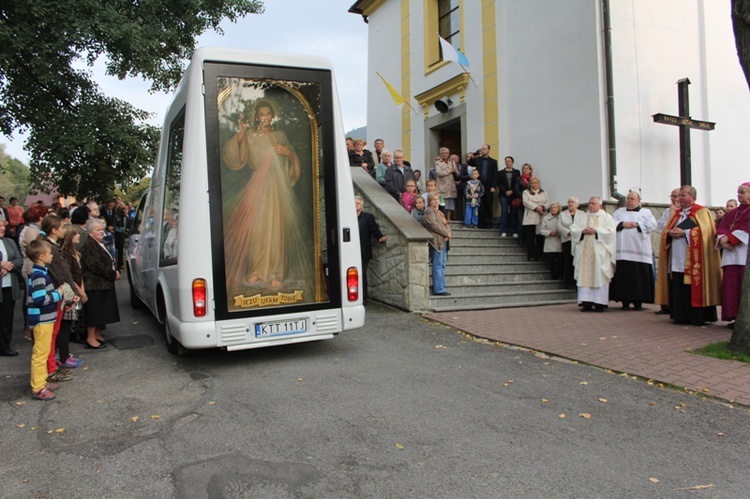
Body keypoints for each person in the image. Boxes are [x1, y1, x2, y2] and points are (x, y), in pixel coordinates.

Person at [221, 99, 310, 293]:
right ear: (257, 117)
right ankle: (256, 269)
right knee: (257, 228)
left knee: (276, 228)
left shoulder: (280, 135)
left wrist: (287, 152)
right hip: (258, 185)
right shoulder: (250, 136)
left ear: (272, 116)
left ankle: (275, 273)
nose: (265, 118)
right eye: (261, 114)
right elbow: (234, 157)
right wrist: (241, 134)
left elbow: (294, 160)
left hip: (277, 186)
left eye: (268, 114)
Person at [656, 185, 721, 326]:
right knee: (678, 284)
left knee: (693, 285)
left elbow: (706, 233)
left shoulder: (702, 212)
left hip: (695, 259)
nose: (679, 198)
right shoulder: (676, 213)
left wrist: (685, 233)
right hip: (677, 255)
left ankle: (698, 316)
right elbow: (665, 230)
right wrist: (669, 234)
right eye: (679, 195)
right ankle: (681, 315)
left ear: (693, 197)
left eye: (683, 195)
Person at [39, 215, 81, 378]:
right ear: (54, 230)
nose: (65, 230)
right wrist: (71, 295)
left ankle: (51, 365)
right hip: (56, 296)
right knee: (52, 334)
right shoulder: (50, 250)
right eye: (62, 228)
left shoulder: (54, 247)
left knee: (54, 332)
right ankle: (50, 369)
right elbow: (61, 275)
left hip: (59, 295)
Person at [26, 240, 64, 400]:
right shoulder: (38, 275)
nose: (52, 255)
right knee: (40, 354)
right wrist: (58, 293)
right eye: (49, 253)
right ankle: (37, 386)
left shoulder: (41, 272)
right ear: (41, 256)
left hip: (46, 319)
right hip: (42, 319)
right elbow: (40, 299)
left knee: (44, 350)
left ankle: (42, 381)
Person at [609, 190, 657, 310]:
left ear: (639, 201)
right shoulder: (619, 212)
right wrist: (622, 224)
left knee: (639, 277)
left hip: (640, 251)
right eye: (628, 199)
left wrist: (638, 224)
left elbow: (653, 224)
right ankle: (624, 301)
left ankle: (638, 302)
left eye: (632, 199)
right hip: (623, 250)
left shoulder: (646, 212)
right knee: (624, 276)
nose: (629, 201)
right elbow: (610, 223)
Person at [571, 196, 617, 312]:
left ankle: (599, 303)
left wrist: (597, 231)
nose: (590, 205)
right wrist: (581, 231)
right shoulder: (581, 217)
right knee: (585, 275)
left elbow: (611, 232)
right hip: (585, 251)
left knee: (599, 275)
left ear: (600, 205)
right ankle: (586, 302)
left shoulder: (607, 217)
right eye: (589, 203)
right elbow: (573, 229)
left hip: (599, 253)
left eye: (593, 203)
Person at [81, 218, 120, 349]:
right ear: (90, 232)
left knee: (101, 311)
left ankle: (97, 334)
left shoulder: (98, 243)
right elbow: (94, 265)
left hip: (102, 283)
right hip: (94, 284)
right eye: (98, 230)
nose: (101, 232)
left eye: (102, 229)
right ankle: (90, 338)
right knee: (95, 312)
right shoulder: (89, 245)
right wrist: (112, 274)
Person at [716, 182, 750, 328]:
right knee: (731, 286)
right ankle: (734, 317)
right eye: (738, 192)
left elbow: (745, 230)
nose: (739, 195)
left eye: (742, 192)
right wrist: (722, 240)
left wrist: (728, 239)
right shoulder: (733, 212)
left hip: (744, 254)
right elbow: (722, 227)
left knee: (743, 287)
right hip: (730, 254)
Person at [60, 224, 88, 350]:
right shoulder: (65, 254)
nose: (79, 235)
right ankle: (75, 332)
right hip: (73, 288)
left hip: (79, 284)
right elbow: (70, 274)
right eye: (76, 234)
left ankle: (80, 331)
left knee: (80, 310)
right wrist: (80, 291)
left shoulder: (74, 252)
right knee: (75, 310)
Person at [654, 188, 680, 315]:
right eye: (672, 197)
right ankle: (666, 304)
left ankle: (676, 305)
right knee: (667, 275)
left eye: (676, 196)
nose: (674, 199)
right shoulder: (668, 211)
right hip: (669, 246)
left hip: (682, 249)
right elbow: (660, 225)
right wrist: (671, 214)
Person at [356, 196, 386, 303]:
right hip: (351, 251)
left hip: (363, 250)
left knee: (362, 273)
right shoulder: (348, 217)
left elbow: (374, 229)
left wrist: (380, 237)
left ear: (362, 205)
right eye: (354, 203)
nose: (356, 205)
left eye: (358, 203)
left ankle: (363, 298)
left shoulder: (368, 217)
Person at [0, 222, 23, 356]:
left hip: (8, 286)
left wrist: (10, 265)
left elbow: (20, 259)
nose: (2, 228)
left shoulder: (9, 242)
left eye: (3, 226)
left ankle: (5, 346)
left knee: (6, 318)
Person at [423, 193, 452, 296]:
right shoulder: (429, 212)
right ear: (429, 201)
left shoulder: (439, 212)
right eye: (434, 199)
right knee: (437, 265)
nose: (436, 201)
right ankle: (439, 289)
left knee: (442, 264)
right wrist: (446, 233)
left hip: (443, 241)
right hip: (436, 242)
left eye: (437, 199)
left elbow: (445, 225)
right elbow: (434, 226)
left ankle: (442, 286)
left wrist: (449, 233)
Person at [468, 144, 497, 229]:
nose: (483, 150)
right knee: (480, 204)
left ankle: (489, 223)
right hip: (479, 185)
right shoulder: (478, 160)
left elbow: (495, 175)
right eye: (482, 149)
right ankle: (480, 223)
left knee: (488, 204)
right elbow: (470, 162)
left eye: (485, 149)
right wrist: (474, 155)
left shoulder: (493, 161)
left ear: (489, 150)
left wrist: (494, 186)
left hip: (489, 185)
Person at [559, 196, 585, 290]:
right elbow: (560, 226)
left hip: (578, 240)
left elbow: (584, 225)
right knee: (568, 261)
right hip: (567, 240)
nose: (570, 204)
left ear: (577, 205)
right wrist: (569, 232)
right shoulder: (562, 214)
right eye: (569, 202)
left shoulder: (582, 214)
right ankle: (568, 283)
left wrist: (577, 233)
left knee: (577, 261)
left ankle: (577, 282)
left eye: (572, 202)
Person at [521, 176, 549, 261]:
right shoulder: (526, 192)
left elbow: (548, 202)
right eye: (532, 183)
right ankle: (531, 255)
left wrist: (543, 207)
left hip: (541, 217)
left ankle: (539, 255)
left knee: (540, 238)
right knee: (531, 238)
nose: (534, 184)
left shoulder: (543, 192)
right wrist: (537, 208)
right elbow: (526, 202)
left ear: (538, 184)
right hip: (530, 218)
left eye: (535, 183)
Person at [497, 156, 521, 237]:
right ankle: (503, 230)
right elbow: (499, 183)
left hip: (513, 195)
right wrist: (505, 191)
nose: (507, 162)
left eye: (509, 161)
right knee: (504, 212)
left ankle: (513, 230)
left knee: (513, 212)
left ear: (512, 162)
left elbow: (517, 183)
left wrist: (512, 191)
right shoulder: (500, 173)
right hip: (503, 195)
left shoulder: (517, 172)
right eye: (506, 161)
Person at [539, 202, 563, 279]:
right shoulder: (546, 218)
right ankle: (554, 275)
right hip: (550, 242)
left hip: (559, 241)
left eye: (555, 207)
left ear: (558, 209)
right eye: (552, 208)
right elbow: (542, 230)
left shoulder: (562, 217)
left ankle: (560, 275)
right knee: (552, 261)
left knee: (560, 261)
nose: (553, 209)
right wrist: (549, 233)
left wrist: (558, 232)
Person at [435, 147, 459, 221]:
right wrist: (449, 170)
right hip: (442, 186)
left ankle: (449, 218)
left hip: (450, 185)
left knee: (450, 203)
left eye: (446, 153)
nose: (444, 155)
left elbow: (457, 172)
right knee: (441, 202)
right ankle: (442, 217)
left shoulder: (452, 162)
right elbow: (439, 173)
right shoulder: (438, 163)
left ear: (448, 154)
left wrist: (456, 172)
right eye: (443, 153)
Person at [514, 163, 534, 244]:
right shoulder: (519, 179)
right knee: (520, 220)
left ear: (530, 170)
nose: (525, 170)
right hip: (521, 202)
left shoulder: (533, 179)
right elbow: (516, 190)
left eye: (527, 168)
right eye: (524, 168)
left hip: (531, 203)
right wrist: (524, 196)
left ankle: (528, 239)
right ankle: (521, 238)